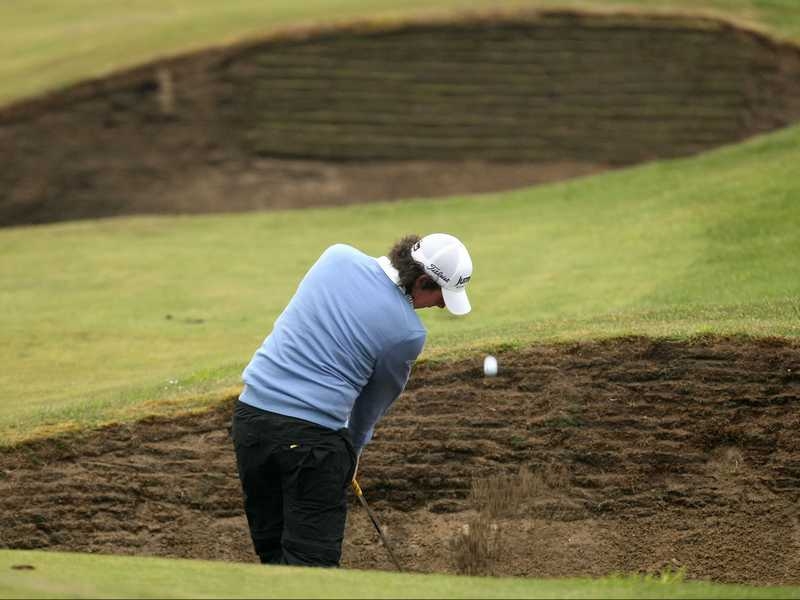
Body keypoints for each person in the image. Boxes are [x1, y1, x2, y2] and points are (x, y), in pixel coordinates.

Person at [231, 233, 473, 567]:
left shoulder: (336, 256)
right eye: (441, 295)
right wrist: (351, 456)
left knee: (272, 554)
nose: (443, 305)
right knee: (311, 567)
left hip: (250, 421)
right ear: (421, 281)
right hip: (311, 443)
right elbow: (370, 406)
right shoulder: (408, 334)